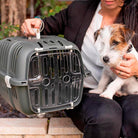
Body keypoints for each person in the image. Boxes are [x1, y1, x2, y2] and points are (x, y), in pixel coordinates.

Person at [21, 0, 138, 137]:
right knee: (106, 118)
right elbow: (44, 25)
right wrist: (35, 23)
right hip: (85, 92)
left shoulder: (135, 14)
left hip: (130, 89)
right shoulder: (80, 8)